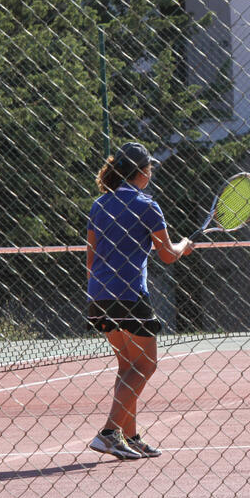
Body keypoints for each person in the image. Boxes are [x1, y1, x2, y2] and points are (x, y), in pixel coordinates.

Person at [86, 142, 193, 460]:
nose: (151, 174)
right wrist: (184, 244)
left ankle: (129, 437)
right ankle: (108, 434)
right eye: (150, 169)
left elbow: (90, 259)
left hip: (99, 295)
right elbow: (167, 255)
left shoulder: (99, 205)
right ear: (142, 172)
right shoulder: (148, 205)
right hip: (130, 296)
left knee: (127, 366)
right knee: (146, 365)